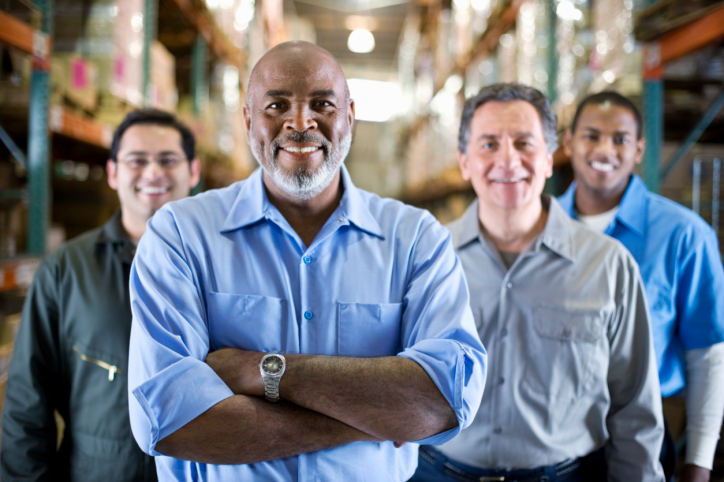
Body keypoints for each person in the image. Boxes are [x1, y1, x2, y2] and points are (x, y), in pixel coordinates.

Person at [126, 40, 487, 481]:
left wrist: (256, 370)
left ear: (349, 117)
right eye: (277, 105)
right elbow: (169, 422)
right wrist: (375, 415)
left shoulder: (416, 239)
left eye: (322, 104)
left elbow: (442, 403)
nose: (300, 122)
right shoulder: (180, 235)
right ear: (247, 120)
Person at [412, 83, 665, 482]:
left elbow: (634, 409)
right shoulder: (423, 258)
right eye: (489, 144)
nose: (508, 161)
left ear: (549, 159)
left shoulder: (608, 265)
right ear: (464, 162)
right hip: (434, 473)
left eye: (524, 143)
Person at [0, 109, 201, 481]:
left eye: (168, 160)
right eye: (137, 160)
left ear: (193, 171)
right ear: (113, 173)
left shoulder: (219, 268)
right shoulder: (65, 271)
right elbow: (28, 407)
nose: (153, 172)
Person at [559, 91, 724, 482]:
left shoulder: (684, 235)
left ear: (639, 149)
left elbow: (708, 356)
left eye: (620, 139)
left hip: (645, 431)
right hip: (548, 436)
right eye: (591, 135)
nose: (605, 149)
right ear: (568, 143)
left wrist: (698, 464)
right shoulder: (538, 230)